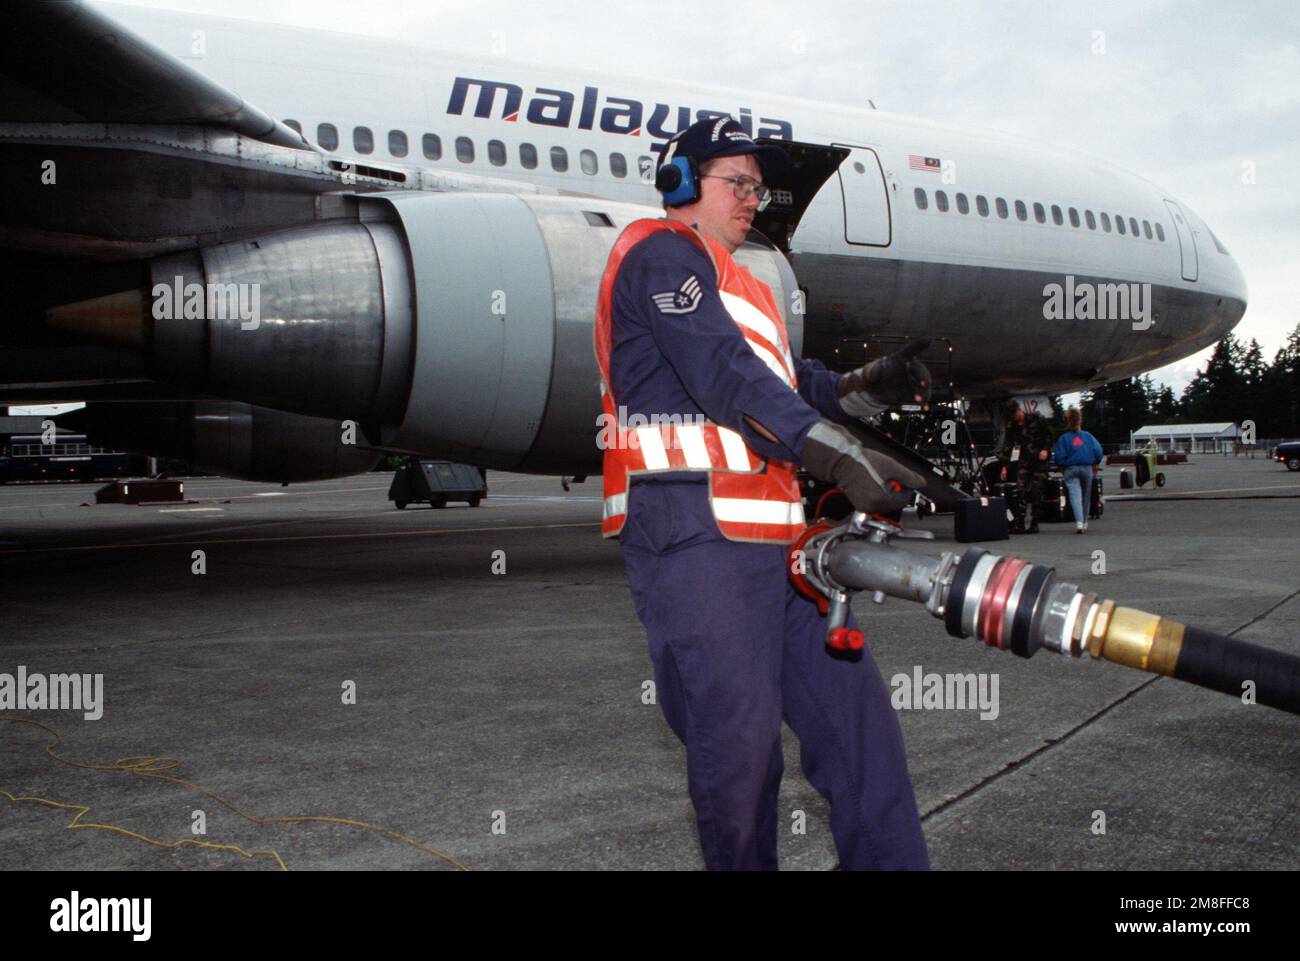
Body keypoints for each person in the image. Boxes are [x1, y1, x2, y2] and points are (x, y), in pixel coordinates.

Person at [593, 116, 931, 870]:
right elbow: (723, 374)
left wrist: (859, 391)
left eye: (758, 184)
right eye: (736, 182)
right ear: (681, 184)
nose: (754, 197)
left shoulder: (748, 285)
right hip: (696, 539)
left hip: (782, 551)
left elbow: (784, 382)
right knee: (740, 755)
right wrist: (835, 452)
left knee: (860, 730)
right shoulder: (658, 255)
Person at [997, 400, 1052, 533]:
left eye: (1015, 414)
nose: (1014, 418)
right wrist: (1005, 466)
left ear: (1019, 410)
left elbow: (1049, 435)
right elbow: (1008, 447)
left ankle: (1034, 522)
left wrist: (1046, 449)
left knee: (1036, 492)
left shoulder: (1037, 419)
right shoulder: (1013, 427)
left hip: (1039, 463)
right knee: (1020, 491)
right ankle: (1020, 522)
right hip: (1023, 462)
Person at [1053, 407, 1104, 533]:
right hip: (1087, 468)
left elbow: (1059, 455)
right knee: (1086, 496)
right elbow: (1098, 451)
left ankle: (1079, 522)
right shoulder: (1088, 436)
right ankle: (1085, 522)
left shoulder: (1064, 438)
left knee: (1075, 496)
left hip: (1070, 468)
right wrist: (1096, 463)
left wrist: (1061, 465)